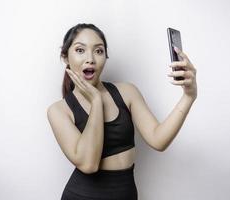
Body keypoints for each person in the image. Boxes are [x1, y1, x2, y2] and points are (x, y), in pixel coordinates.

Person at [47, 23, 197, 200]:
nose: (90, 59)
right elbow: (88, 164)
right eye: (80, 50)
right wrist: (96, 101)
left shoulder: (127, 92)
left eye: (99, 51)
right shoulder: (59, 110)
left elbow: (158, 140)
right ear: (65, 57)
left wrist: (189, 97)